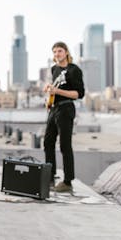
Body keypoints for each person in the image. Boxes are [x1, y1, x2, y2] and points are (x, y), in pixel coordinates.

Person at [43, 41, 84, 192]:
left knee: (65, 145)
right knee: (48, 142)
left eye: (59, 51)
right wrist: (49, 91)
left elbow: (78, 94)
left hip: (66, 108)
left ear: (66, 52)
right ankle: (50, 177)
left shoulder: (74, 70)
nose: (57, 54)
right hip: (53, 109)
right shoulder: (54, 69)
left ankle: (67, 182)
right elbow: (54, 88)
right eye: (54, 52)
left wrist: (57, 92)